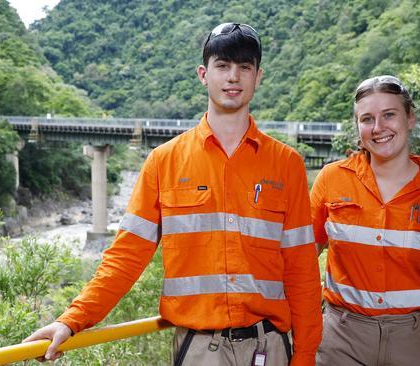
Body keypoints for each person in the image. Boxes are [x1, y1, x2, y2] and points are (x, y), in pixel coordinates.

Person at [24, 22, 323, 366]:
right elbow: (126, 255)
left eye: (244, 67)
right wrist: (72, 320)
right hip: (198, 349)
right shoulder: (163, 161)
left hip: (269, 346)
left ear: (258, 77)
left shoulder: (286, 164)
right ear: (203, 74)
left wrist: (304, 356)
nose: (233, 77)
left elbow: (301, 270)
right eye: (222, 66)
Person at [310, 75, 420, 366]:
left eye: (389, 115)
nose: (378, 128)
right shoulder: (330, 181)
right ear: (358, 127)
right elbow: (299, 261)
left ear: (410, 118)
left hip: (413, 342)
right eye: (367, 119)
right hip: (341, 339)